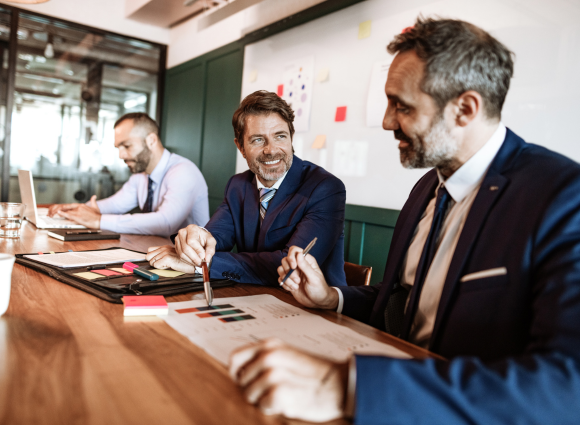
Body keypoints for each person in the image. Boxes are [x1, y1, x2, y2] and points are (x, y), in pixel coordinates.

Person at [228, 17, 580, 423]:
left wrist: (345, 387)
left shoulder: (561, 197)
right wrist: (332, 298)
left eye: (402, 105)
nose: (386, 121)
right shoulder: (425, 189)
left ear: (465, 108)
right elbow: (402, 301)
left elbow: (566, 387)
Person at [146, 91, 347, 286]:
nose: (271, 150)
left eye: (280, 136)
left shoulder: (325, 188)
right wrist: (196, 241)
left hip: (314, 311)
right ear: (240, 147)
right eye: (258, 139)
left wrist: (202, 265)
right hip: (252, 298)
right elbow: (214, 238)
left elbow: (290, 267)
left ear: (291, 137)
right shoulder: (237, 185)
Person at [48, 113, 210, 237]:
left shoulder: (183, 172)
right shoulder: (141, 177)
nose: (121, 155)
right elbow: (113, 205)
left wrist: (98, 220)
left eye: (126, 146)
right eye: (118, 148)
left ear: (151, 140)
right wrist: (72, 209)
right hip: (160, 254)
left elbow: (165, 223)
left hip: (193, 266)